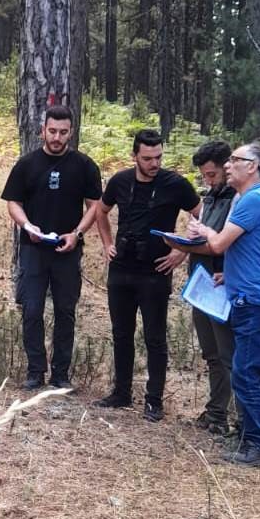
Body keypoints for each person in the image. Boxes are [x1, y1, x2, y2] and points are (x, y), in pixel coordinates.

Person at [168, 142, 260, 466]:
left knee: (247, 373)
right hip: (251, 295)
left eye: (236, 160)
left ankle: (256, 445)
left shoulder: (253, 200)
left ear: (253, 167)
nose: (229, 165)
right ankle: (255, 438)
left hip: (257, 302)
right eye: (229, 159)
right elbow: (250, 252)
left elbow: (219, 244)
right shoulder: (249, 199)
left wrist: (201, 230)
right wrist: (229, 277)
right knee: (257, 372)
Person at [92, 129, 202, 422]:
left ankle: (154, 400)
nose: (154, 163)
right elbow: (101, 212)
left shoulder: (175, 184)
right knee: (121, 333)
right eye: (148, 158)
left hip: (155, 270)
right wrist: (107, 243)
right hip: (121, 269)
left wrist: (182, 251)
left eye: (158, 157)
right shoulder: (120, 181)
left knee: (155, 337)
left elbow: (201, 214)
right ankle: (121, 392)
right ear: (135, 156)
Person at [1, 104, 103, 390]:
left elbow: (95, 206)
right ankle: (36, 371)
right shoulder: (27, 164)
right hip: (33, 249)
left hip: (67, 250)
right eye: (52, 131)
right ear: (42, 130)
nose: (57, 137)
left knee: (65, 311)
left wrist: (77, 234)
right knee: (31, 309)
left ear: (71, 133)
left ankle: (61, 374)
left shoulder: (84, 166)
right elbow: (13, 202)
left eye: (63, 132)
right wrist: (27, 226)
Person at [189, 141, 241, 436]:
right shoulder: (209, 199)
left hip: (222, 285)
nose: (208, 181)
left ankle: (235, 419)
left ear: (226, 168)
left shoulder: (238, 201)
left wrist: (203, 239)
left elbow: (222, 243)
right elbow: (202, 234)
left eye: (212, 175)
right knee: (211, 353)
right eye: (204, 176)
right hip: (201, 282)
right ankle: (215, 411)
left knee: (227, 354)